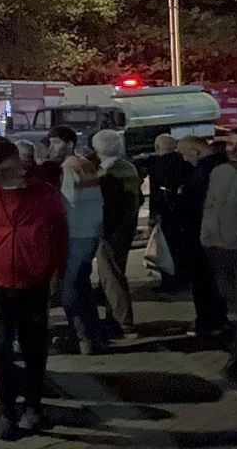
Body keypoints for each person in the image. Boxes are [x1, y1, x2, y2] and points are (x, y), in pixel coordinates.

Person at [0, 140, 68, 440]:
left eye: (5, 170)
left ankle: (33, 406)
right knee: (0, 346)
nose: (0, 176)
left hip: (35, 280)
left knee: (34, 346)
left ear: (19, 164)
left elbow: (59, 235)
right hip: (0, 282)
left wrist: (57, 272)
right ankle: (7, 410)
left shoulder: (45, 195)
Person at [200, 126, 237, 383]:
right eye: (231, 143)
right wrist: (206, 237)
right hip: (217, 249)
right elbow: (210, 205)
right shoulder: (219, 172)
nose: (233, 149)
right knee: (233, 304)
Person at [175, 136, 230, 336]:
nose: (182, 158)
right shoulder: (220, 168)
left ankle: (209, 323)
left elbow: (196, 205)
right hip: (214, 234)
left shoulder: (203, 173)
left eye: (182, 154)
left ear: (194, 152)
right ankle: (217, 320)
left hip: (201, 235)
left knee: (204, 282)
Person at [57, 151, 106, 354]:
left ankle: (83, 338)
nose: (51, 147)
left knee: (70, 290)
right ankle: (93, 337)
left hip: (76, 233)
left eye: (54, 142)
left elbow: (66, 203)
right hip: (90, 231)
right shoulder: (85, 164)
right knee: (82, 286)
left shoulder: (70, 167)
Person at [93, 129, 140, 337]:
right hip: (126, 228)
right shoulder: (129, 168)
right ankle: (114, 318)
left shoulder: (107, 174)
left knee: (111, 277)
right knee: (116, 273)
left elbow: (105, 206)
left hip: (110, 231)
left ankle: (123, 322)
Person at [146, 134, 194, 289]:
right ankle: (184, 278)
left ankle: (170, 281)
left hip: (165, 212)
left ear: (157, 147)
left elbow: (155, 193)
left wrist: (153, 216)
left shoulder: (157, 165)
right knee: (183, 247)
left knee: (166, 248)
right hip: (184, 211)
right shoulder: (185, 163)